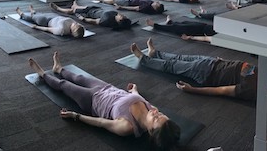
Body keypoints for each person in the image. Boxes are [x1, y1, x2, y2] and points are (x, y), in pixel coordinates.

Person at [29, 52, 180, 150]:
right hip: (107, 88)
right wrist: (134, 90)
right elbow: (140, 98)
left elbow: (101, 122)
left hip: (91, 100)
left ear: (150, 130)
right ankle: (59, 69)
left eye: (156, 118)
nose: (155, 112)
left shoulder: (127, 127)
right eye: (160, 114)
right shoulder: (151, 109)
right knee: (78, 78)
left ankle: (42, 74)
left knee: (64, 85)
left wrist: (75, 116)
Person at [130, 38, 267, 100]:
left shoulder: (252, 89)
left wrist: (193, 90)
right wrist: (222, 60)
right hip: (212, 62)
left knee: (171, 66)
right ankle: (155, 53)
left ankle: (144, 59)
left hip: (206, 73)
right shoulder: (262, 76)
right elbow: (240, 67)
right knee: (178, 57)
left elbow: (222, 91)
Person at [49, 1, 132, 30]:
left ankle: (59, 9)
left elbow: (94, 21)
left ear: (119, 20)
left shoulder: (106, 21)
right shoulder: (116, 16)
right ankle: (75, 4)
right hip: (97, 8)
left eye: (122, 16)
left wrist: (83, 19)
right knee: (75, 7)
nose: (122, 14)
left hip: (90, 13)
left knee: (73, 10)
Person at [16, 5, 86, 37]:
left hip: (45, 21)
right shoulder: (75, 24)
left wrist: (37, 27)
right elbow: (82, 28)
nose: (77, 23)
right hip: (54, 16)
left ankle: (21, 14)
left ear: (72, 30)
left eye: (76, 25)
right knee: (39, 14)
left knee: (32, 18)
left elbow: (48, 29)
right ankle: (33, 11)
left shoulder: (61, 30)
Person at [90, 0, 164, 14]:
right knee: (114, 0)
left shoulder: (146, 7)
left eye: (157, 4)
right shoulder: (151, 4)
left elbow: (135, 8)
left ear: (155, 8)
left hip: (128, 2)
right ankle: (104, 0)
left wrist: (122, 7)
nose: (156, 2)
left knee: (113, 0)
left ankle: (101, 0)